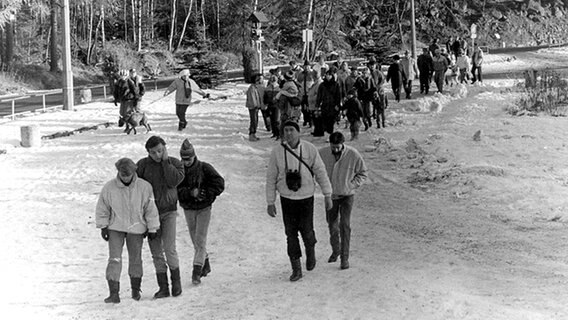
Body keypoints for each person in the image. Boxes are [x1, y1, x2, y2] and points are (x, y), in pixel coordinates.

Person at [266, 120, 333, 282]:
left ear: (298, 132)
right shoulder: (277, 152)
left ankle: (311, 251)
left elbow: (320, 171)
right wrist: (270, 201)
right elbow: (271, 177)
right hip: (287, 199)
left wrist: (327, 194)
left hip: (306, 198)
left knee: (307, 231)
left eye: (291, 130)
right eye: (285, 130)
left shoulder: (309, 149)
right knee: (291, 234)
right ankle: (296, 268)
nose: (288, 133)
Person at [96, 158, 160, 303]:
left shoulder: (144, 187)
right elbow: (103, 208)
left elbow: (150, 209)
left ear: (134, 172)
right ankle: (114, 292)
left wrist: (152, 228)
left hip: (136, 229)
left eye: (128, 174)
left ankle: (135, 291)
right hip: (115, 228)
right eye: (122, 174)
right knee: (114, 259)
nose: (125, 177)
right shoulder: (109, 187)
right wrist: (103, 226)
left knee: (136, 259)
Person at [136, 136, 185, 299]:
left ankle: (176, 283)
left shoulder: (175, 163)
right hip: (150, 215)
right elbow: (135, 189)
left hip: (169, 211)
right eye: (153, 152)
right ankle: (163, 286)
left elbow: (174, 181)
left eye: (160, 150)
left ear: (165, 148)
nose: (157, 155)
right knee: (156, 252)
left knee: (170, 248)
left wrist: (165, 163)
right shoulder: (142, 166)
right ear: (148, 152)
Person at [177, 139, 225, 285]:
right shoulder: (179, 171)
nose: (186, 162)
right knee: (195, 240)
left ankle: (196, 272)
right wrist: (190, 193)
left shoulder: (205, 168)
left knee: (200, 239)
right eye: (183, 159)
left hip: (204, 208)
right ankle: (206, 263)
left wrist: (206, 194)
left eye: (189, 159)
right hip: (189, 209)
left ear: (194, 156)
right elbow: (175, 190)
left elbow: (219, 183)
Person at [318, 132, 367, 270]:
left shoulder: (353, 154)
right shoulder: (322, 154)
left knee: (345, 225)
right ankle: (336, 250)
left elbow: (363, 173)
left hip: (347, 196)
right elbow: (315, 170)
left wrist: (351, 185)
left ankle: (344, 259)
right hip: (331, 196)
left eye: (338, 147)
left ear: (343, 144)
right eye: (333, 147)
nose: (335, 150)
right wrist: (322, 185)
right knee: (332, 225)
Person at [315, 68, 342, 136]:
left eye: (329, 75)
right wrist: (317, 105)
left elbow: (338, 95)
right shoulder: (322, 85)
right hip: (325, 105)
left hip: (333, 105)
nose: (328, 76)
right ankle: (327, 133)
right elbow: (319, 95)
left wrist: (338, 105)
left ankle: (331, 134)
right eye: (327, 75)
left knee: (331, 120)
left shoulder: (336, 84)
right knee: (325, 120)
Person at [296, 60, 317, 128]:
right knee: (303, 108)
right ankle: (306, 119)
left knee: (310, 108)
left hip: (310, 93)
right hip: (303, 93)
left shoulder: (312, 73)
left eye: (307, 66)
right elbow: (298, 83)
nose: (306, 68)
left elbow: (315, 82)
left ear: (309, 66)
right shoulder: (300, 74)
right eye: (305, 66)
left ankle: (311, 121)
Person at [354, 67, 375, 131]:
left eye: (366, 73)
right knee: (362, 112)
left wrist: (374, 93)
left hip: (368, 98)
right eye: (364, 73)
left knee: (368, 112)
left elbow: (373, 87)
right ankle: (366, 124)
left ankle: (369, 121)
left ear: (368, 73)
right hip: (361, 98)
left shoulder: (370, 79)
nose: (365, 74)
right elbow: (355, 86)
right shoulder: (359, 79)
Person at [245, 73, 265, 142]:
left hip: (255, 107)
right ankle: (251, 134)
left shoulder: (255, 87)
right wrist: (256, 106)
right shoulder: (252, 88)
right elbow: (253, 99)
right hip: (253, 107)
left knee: (255, 121)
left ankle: (253, 134)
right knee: (254, 121)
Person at [264, 74, 281, 139]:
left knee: (277, 120)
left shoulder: (279, 88)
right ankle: (274, 133)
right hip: (270, 105)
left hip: (277, 106)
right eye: (271, 80)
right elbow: (265, 97)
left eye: (274, 80)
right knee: (272, 120)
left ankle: (278, 133)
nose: (273, 82)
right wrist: (266, 104)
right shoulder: (267, 88)